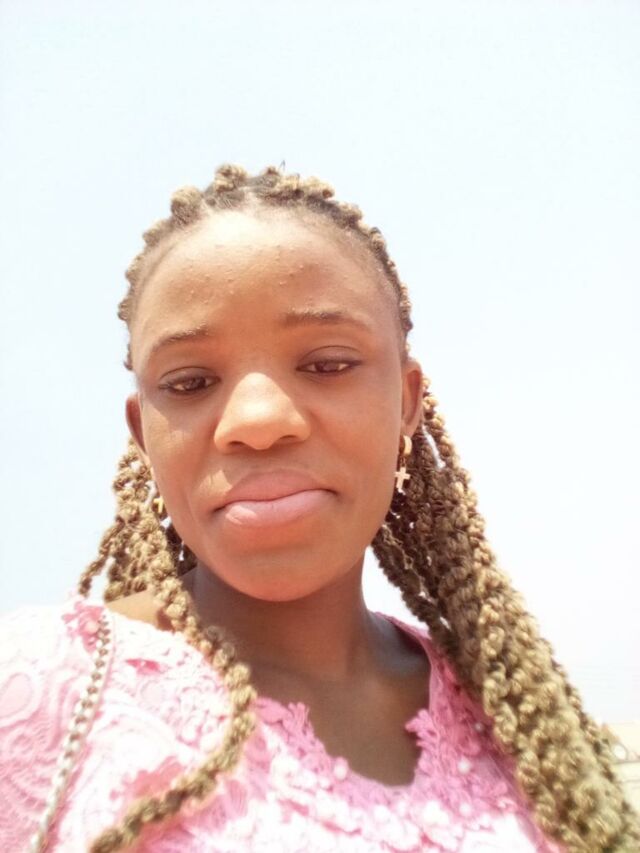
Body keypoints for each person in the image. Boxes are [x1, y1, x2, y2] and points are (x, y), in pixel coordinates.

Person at [0, 164, 637, 853]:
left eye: (328, 364)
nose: (257, 419)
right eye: (189, 381)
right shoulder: (42, 685)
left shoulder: (512, 718)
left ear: (406, 401)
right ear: (143, 432)